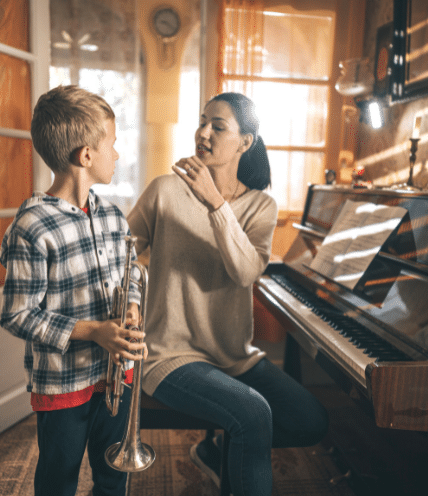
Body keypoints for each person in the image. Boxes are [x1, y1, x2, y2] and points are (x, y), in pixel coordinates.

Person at [127, 92, 329, 495]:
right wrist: (132, 300)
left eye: (217, 127)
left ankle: (219, 453)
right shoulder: (165, 190)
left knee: (310, 421)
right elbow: (121, 254)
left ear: (245, 142)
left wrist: (215, 202)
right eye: (203, 122)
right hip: (170, 356)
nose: (203, 133)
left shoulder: (261, 206)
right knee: (252, 413)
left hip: (234, 358)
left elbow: (245, 272)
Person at [0, 85, 146, 496]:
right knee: (58, 481)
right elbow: (19, 314)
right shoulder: (33, 226)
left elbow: (132, 274)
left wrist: (131, 307)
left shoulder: (115, 217)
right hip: (63, 385)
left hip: (116, 375)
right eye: (112, 145)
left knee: (114, 474)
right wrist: (95, 331)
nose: (117, 154)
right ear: (85, 155)